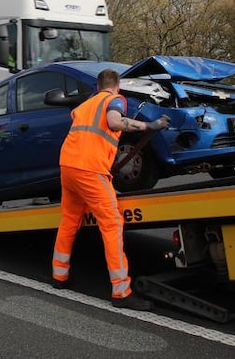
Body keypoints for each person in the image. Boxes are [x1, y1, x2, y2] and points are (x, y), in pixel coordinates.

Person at [51, 68, 168, 311]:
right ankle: (120, 291)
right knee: (112, 224)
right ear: (117, 86)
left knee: (70, 220)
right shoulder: (115, 100)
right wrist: (150, 126)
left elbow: (80, 123)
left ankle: (59, 276)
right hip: (90, 170)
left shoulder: (86, 104)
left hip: (68, 166)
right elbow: (115, 121)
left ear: (97, 85)